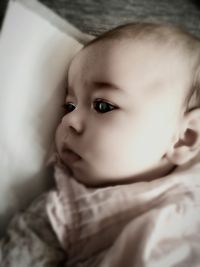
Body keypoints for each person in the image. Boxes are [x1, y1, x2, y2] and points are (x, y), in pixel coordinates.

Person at [1, 22, 200, 267]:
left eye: (103, 106)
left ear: (185, 137)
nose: (68, 120)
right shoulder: (62, 214)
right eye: (69, 105)